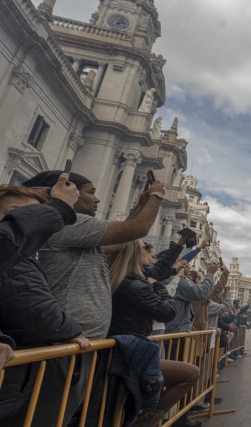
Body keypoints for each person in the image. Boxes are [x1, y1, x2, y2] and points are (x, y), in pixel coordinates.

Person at [20, 170, 164, 427]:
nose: (97, 200)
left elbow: (123, 239)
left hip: (80, 345)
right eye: (91, 192)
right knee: (49, 417)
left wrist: (142, 203)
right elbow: (138, 229)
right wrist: (157, 195)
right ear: (63, 191)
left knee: (66, 414)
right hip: (65, 346)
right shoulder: (67, 223)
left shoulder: (73, 231)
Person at [0, 179, 92, 423]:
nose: (31, 222)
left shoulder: (25, 258)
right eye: (19, 215)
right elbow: (36, 311)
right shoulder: (15, 258)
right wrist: (59, 207)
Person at [107, 240, 201, 427]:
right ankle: (145, 422)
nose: (151, 253)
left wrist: (180, 244)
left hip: (129, 350)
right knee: (190, 373)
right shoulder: (134, 284)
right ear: (134, 253)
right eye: (146, 248)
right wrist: (158, 287)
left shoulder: (127, 278)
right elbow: (167, 312)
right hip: (130, 355)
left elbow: (161, 269)